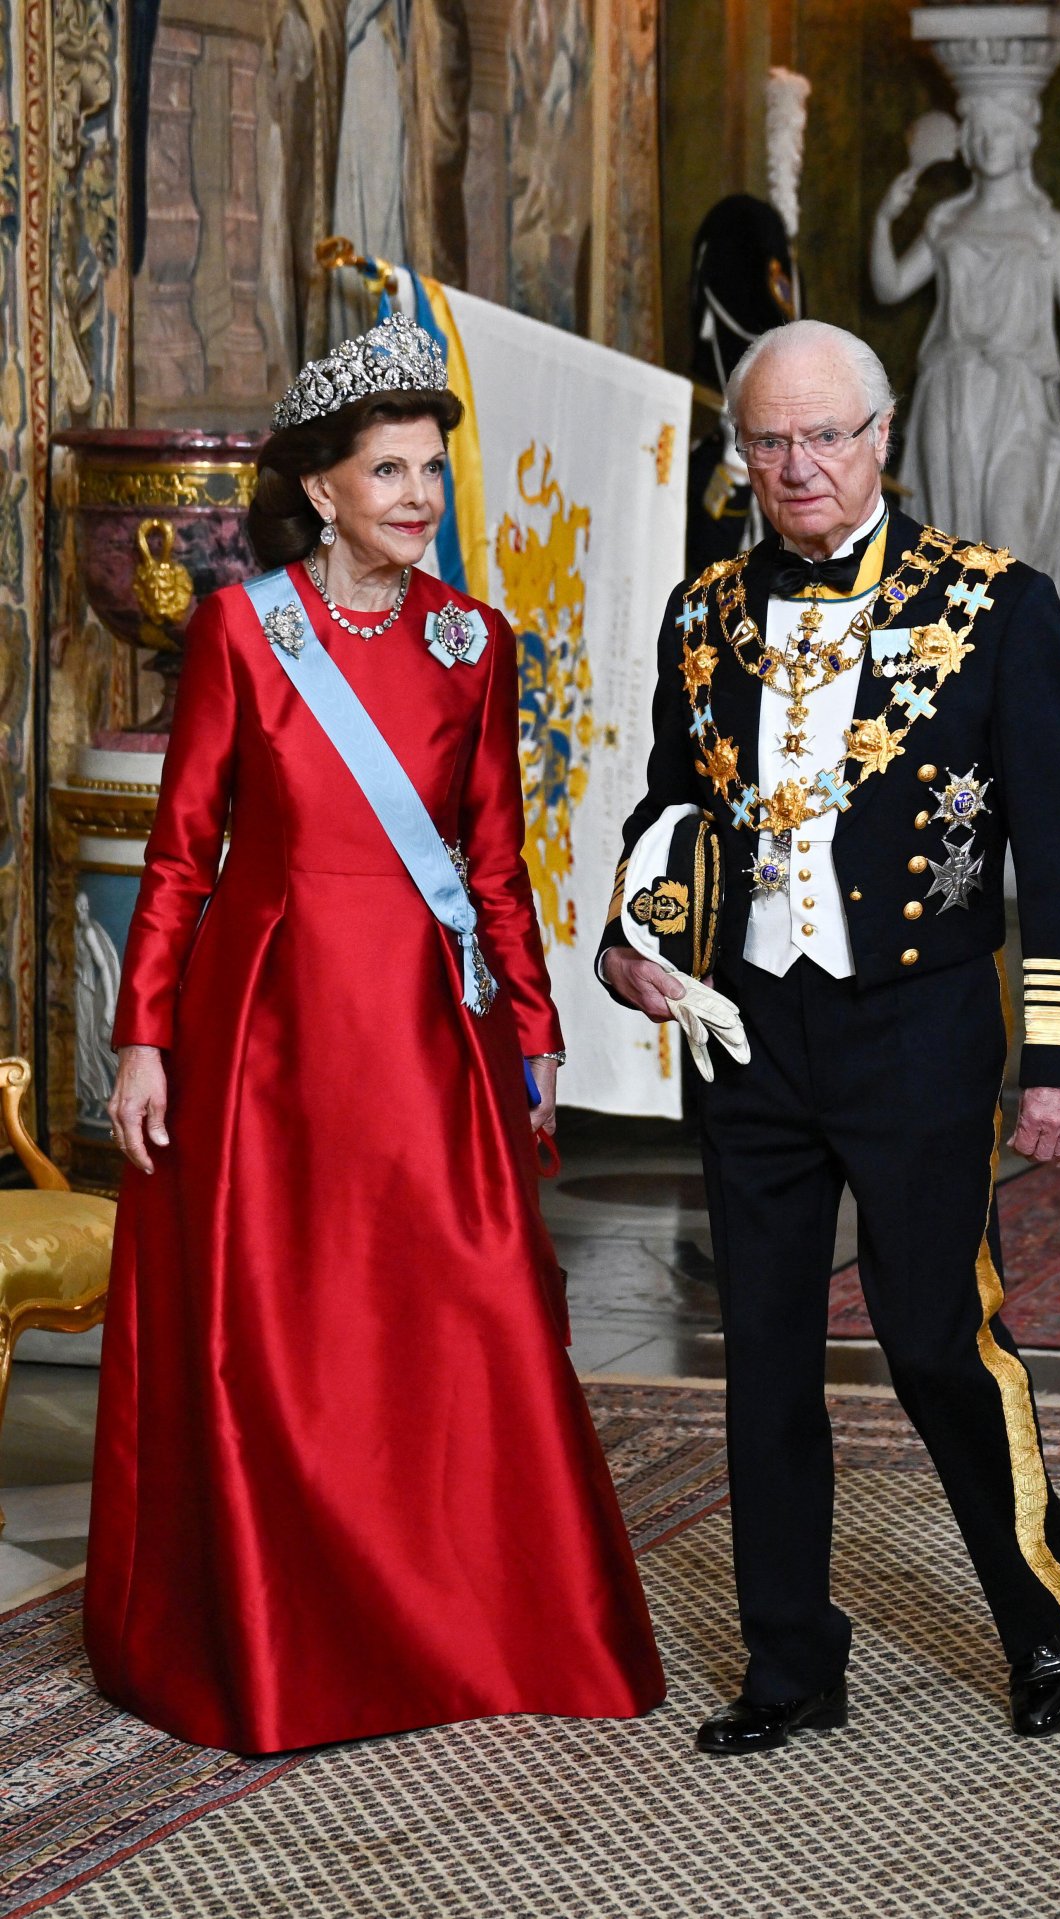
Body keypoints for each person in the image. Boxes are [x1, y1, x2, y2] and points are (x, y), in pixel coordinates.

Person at [86, 311, 665, 1753]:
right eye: (390, 472)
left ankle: (489, 1614)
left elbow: (491, 863)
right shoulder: (242, 628)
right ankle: (299, 1626)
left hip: (422, 1022)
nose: (416, 498)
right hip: (266, 1025)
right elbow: (183, 852)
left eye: (429, 473)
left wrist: (532, 1038)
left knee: (460, 1303)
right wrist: (144, 1034)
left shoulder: (475, 643)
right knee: (287, 1324)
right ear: (324, 487)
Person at [597, 318, 1060, 1753]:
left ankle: (1040, 1615)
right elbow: (664, 808)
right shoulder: (702, 616)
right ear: (741, 453)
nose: (800, 464)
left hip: (921, 1028)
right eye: (771, 440)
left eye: (827, 434)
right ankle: (790, 1665)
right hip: (750, 1037)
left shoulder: (998, 605)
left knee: (937, 1336)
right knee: (758, 1351)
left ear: (884, 435)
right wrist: (631, 935)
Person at [870, 90, 1060, 694]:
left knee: (1012, 544)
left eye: (999, 130)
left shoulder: (1048, 230)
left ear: (1025, 138)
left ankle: (1020, 700)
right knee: (947, 551)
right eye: (976, 131)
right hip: (950, 400)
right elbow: (892, 285)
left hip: (1020, 403)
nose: (986, 142)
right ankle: (956, 705)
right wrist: (882, 220)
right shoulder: (947, 220)